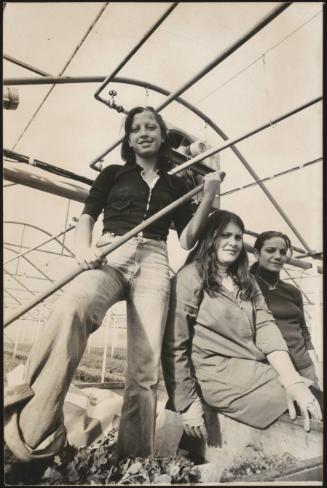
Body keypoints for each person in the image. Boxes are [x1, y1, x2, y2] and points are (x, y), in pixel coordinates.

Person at [4, 106, 223, 462]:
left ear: (162, 135)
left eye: (150, 126)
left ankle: (133, 462)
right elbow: (87, 215)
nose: (143, 132)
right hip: (111, 252)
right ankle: (33, 436)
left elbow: (185, 240)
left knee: (145, 366)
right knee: (71, 308)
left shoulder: (177, 183)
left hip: (153, 260)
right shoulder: (113, 174)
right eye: (135, 128)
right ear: (129, 138)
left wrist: (209, 194)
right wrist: (83, 250)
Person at [162, 210, 322, 440]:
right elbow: (173, 346)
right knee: (309, 408)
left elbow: (267, 328)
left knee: (312, 396)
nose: (233, 242)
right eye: (225, 235)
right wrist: (186, 404)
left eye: (238, 237)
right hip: (217, 378)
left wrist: (292, 380)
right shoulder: (190, 278)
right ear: (210, 237)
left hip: (255, 371)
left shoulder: (245, 280)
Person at [251, 231, 321, 389]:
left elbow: (303, 331)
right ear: (256, 253)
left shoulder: (292, 291)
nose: (278, 256)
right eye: (270, 250)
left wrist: (314, 365)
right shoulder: (247, 287)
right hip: (271, 369)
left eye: (283, 252)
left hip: (304, 366)